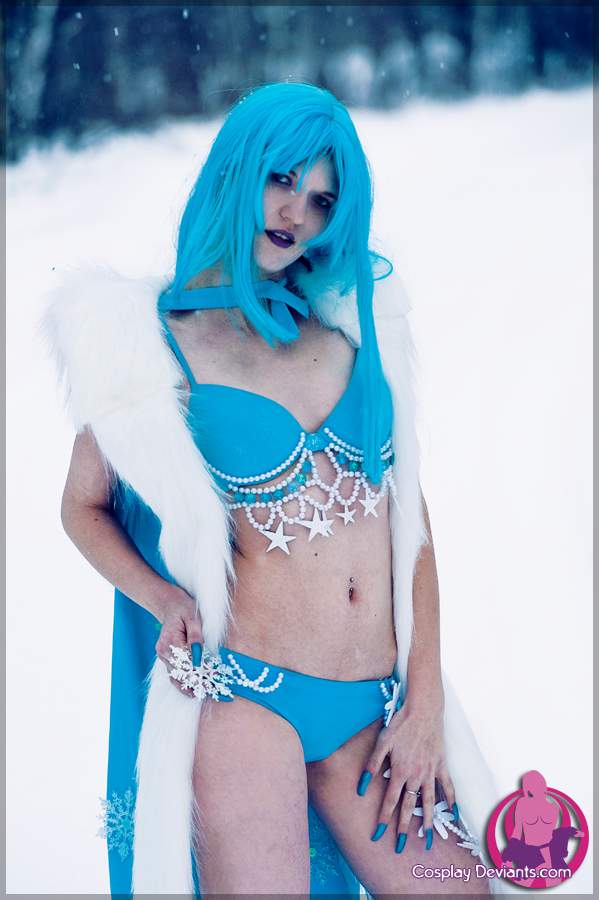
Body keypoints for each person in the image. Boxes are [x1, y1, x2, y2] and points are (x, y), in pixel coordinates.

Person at [45, 82, 505, 896]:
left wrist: (425, 699)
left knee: (461, 890)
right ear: (236, 169)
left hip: (376, 708)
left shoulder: (346, 329)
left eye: (322, 199)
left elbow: (409, 521)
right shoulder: (150, 349)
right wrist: (161, 597)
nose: (297, 212)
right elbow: (81, 506)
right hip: (247, 697)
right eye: (282, 179)